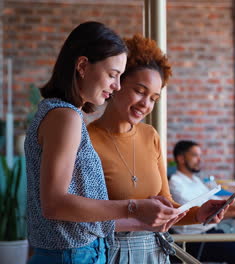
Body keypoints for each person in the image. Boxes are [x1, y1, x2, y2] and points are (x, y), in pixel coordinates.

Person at [25, 22, 188, 264]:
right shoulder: (66, 117)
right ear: (82, 66)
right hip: (74, 257)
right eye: (112, 75)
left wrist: (143, 214)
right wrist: (133, 207)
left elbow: (75, 219)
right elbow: (55, 204)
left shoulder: (58, 113)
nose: (117, 85)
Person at [88, 34, 230, 263]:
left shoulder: (150, 136)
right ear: (117, 83)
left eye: (153, 98)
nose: (146, 104)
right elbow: (82, 216)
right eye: (140, 91)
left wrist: (199, 214)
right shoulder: (87, 139)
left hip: (154, 251)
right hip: (109, 252)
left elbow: (167, 206)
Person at [169, 140, 235, 264]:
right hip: (197, 241)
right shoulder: (176, 184)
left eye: (200, 155)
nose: (199, 160)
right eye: (195, 155)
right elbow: (207, 213)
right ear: (181, 158)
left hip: (212, 233)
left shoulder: (195, 180)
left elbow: (220, 204)